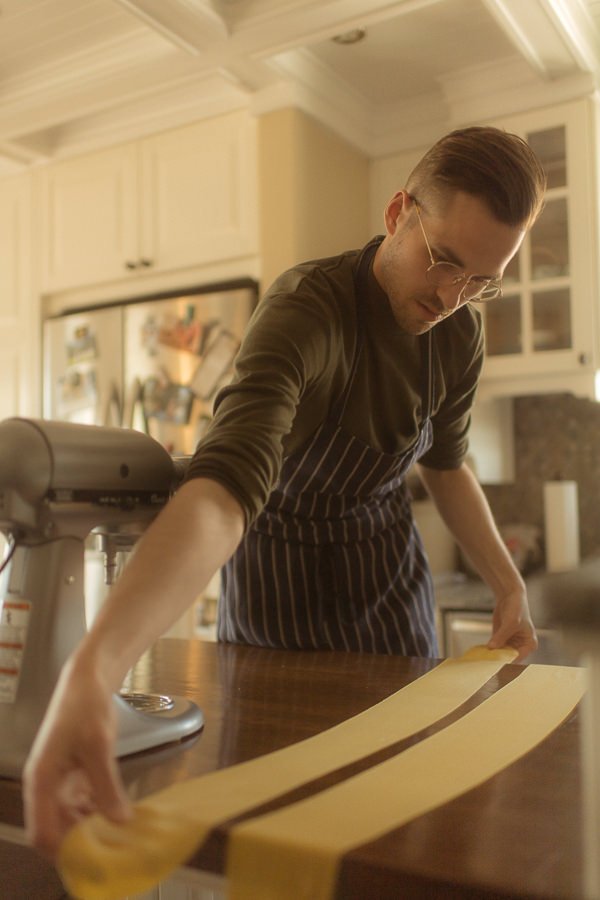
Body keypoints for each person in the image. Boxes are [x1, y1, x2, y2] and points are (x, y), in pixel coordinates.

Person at [24, 125, 544, 858]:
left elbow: (449, 463)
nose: (453, 297)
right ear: (399, 212)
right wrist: (94, 669)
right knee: (278, 814)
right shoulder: (308, 311)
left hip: (383, 575)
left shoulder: (460, 336)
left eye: (482, 281)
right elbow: (224, 489)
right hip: (275, 577)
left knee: (401, 806)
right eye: (444, 261)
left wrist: (506, 581)